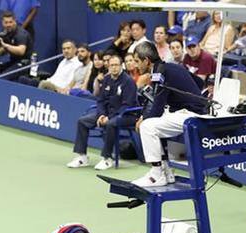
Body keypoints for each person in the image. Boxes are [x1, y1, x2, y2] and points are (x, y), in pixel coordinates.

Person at [131, 41, 207, 187]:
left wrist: (143, 119)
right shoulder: (170, 67)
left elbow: (157, 108)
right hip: (190, 111)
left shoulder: (159, 73)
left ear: (146, 60)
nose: (135, 65)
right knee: (156, 123)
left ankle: (156, 174)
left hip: (191, 115)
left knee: (147, 126)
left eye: (137, 61)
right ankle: (167, 172)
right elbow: (199, 82)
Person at [66, 55, 138, 170]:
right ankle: (82, 157)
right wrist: (101, 115)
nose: (114, 68)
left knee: (110, 124)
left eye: (116, 65)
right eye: (111, 65)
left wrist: (110, 117)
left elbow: (127, 105)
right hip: (107, 113)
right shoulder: (107, 79)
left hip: (126, 115)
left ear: (121, 66)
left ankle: (107, 158)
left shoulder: (128, 81)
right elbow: (100, 100)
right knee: (82, 121)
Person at [0, 11, 33, 76]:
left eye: (10, 22)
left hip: (25, 64)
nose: (8, 25)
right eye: (6, 22)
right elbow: (4, 50)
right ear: (2, 23)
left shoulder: (21, 34)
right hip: (13, 62)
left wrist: (6, 46)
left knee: (2, 77)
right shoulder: (6, 33)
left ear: (14, 22)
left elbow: (21, 51)